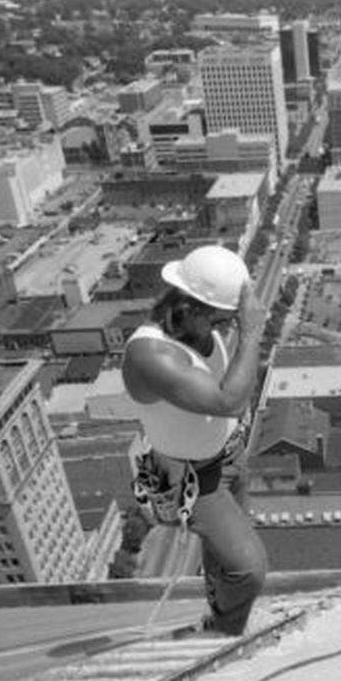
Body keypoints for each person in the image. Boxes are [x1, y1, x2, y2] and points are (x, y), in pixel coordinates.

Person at [122, 244, 270, 637]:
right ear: (191, 311)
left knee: (225, 556)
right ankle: (223, 630)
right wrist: (252, 332)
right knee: (248, 570)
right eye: (222, 322)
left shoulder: (195, 326)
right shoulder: (151, 354)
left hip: (226, 455)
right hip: (189, 477)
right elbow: (228, 401)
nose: (227, 330)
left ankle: (217, 600)